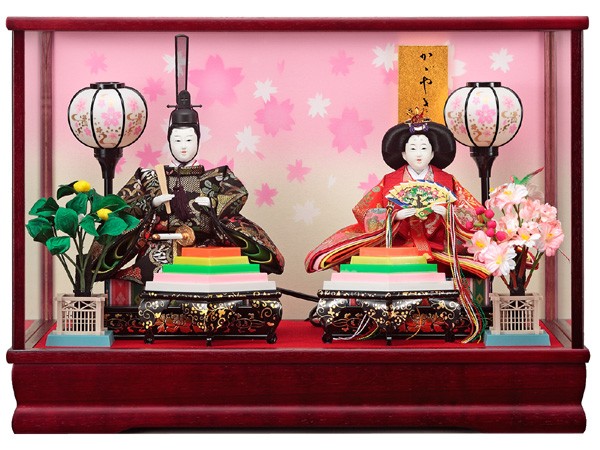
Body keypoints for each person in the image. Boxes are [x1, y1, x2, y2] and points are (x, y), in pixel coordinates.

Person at [93, 89, 284, 288]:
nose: (183, 146)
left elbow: (237, 194)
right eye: (177, 140)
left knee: (215, 281)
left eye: (189, 140)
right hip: (159, 249)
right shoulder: (149, 178)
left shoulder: (217, 177)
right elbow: (123, 208)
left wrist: (213, 204)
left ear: (198, 141)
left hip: (204, 248)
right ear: (169, 141)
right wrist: (151, 203)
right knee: (148, 281)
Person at [305, 119, 489, 279]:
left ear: (433, 153)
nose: (419, 154)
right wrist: (395, 216)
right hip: (398, 244)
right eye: (413, 149)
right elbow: (364, 211)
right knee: (362, 256)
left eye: (424, 148)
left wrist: (449, 213)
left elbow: (473, 213)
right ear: (404, 154)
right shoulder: (389, 181)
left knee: (474, 258)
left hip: (440, 246)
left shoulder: (447, 181)